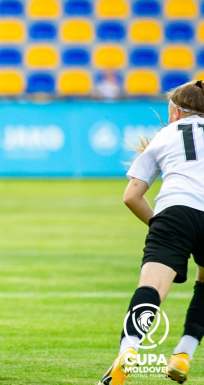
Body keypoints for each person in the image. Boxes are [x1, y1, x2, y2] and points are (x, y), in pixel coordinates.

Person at [98, 80, 204, 385]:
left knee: (153, 287)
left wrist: (164, 227)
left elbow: (131, 196)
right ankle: (184, 353)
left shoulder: (167, 134)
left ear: (174, 110)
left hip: (175, 211)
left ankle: (129, 349)